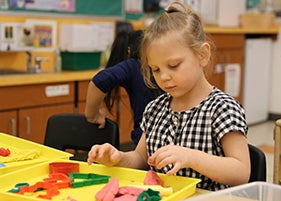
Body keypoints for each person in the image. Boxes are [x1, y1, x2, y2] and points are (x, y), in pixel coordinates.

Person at [87, 1, 250, 191]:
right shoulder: (156, 108)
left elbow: (241, 172)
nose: (163, 77)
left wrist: (191, 158)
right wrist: (117, 158)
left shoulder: (222, 109)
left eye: (173, 65)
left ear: (202, 55)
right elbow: (140, 159)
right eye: (155, 69)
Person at [85, 30, 162, 145]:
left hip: (149, 142)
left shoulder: (134, 65)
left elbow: (99, 80)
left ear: (129, 50)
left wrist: (93, 116)